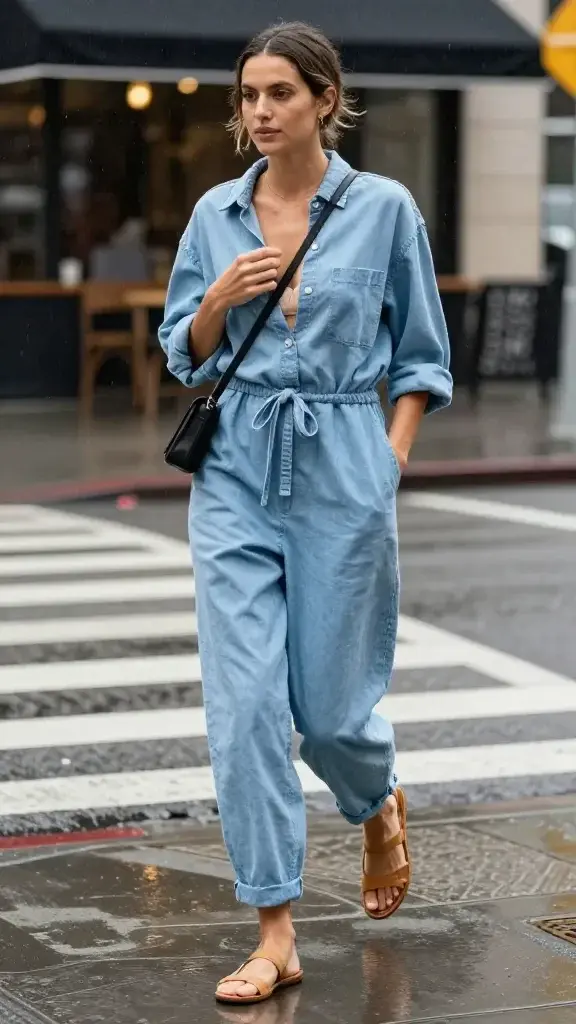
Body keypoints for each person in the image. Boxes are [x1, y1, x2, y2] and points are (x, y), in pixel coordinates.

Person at [159, 20, 452, 1006]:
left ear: (325, 99)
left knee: (329, 713)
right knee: (245, 707)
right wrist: (217, 301)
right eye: (249, 95)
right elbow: (182, 350)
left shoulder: (384, 209)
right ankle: (274, 931)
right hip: (235, 471)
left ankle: (374, 799)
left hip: (344, 467)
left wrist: (389, 459)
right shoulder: (215, 214)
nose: (260, 111)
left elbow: (422, 356)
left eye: (280, 92)